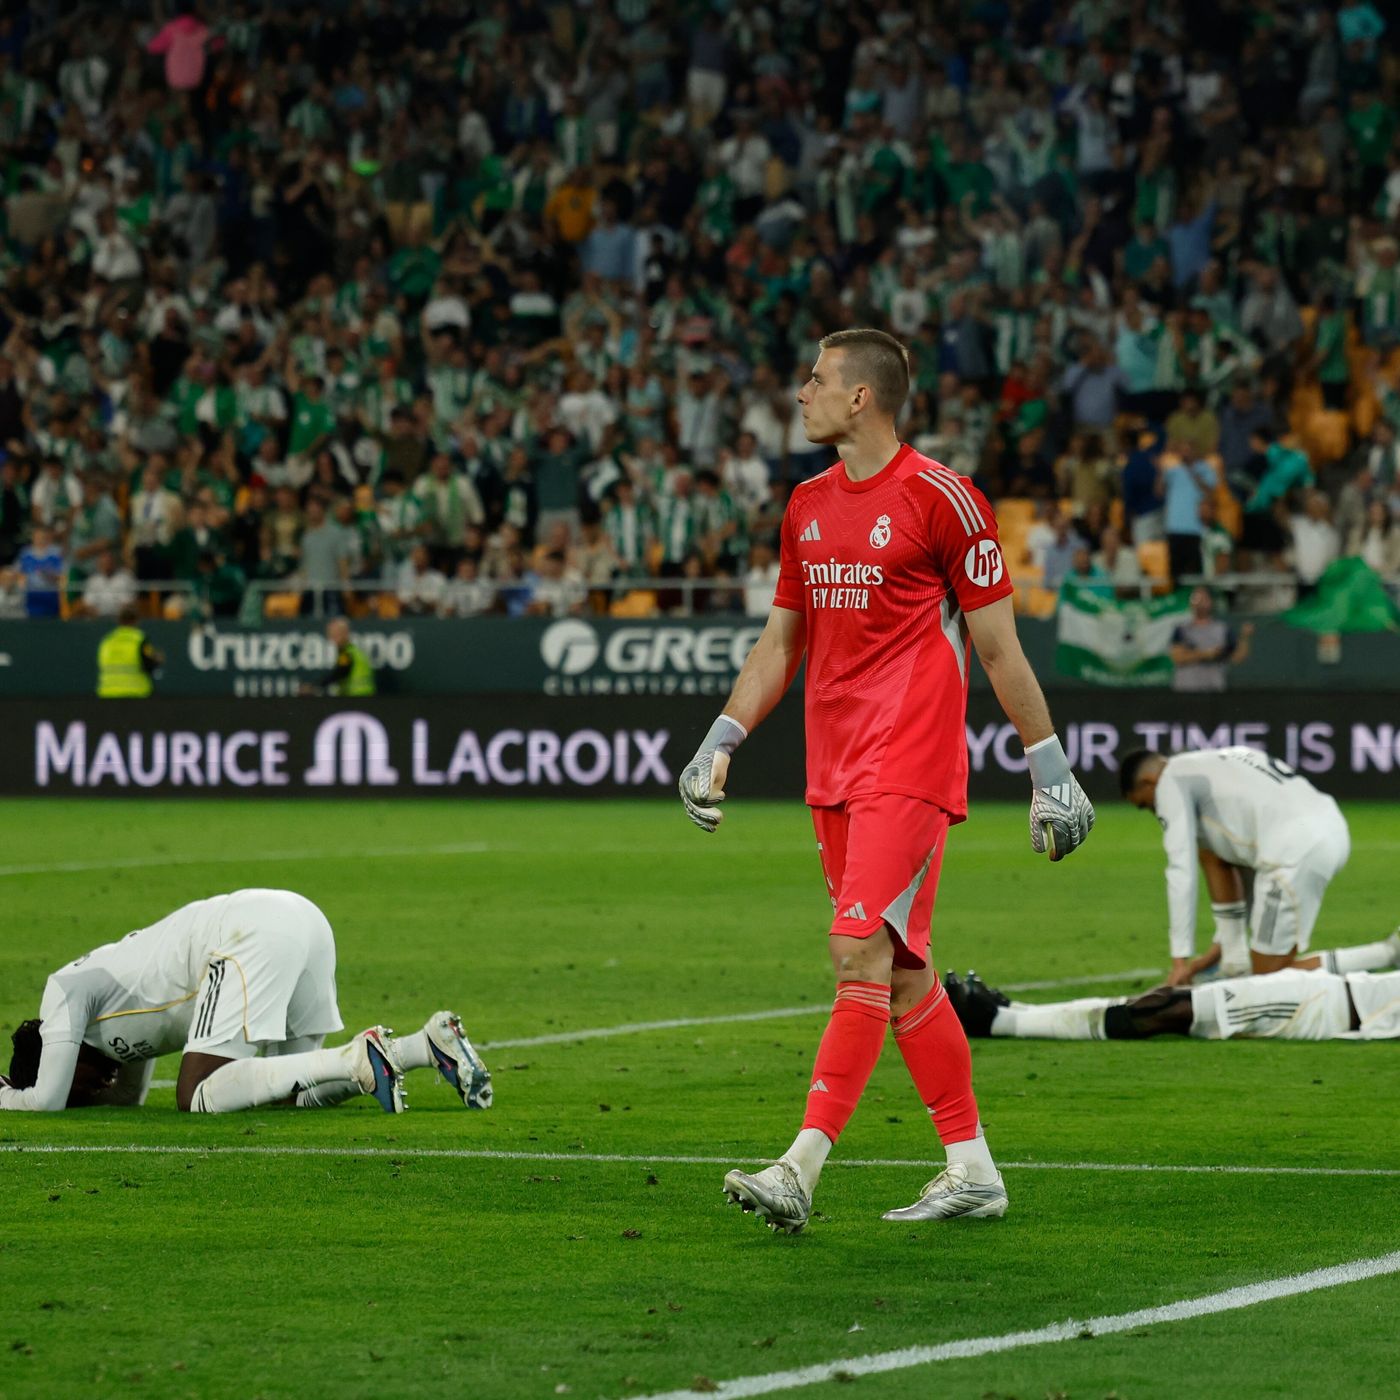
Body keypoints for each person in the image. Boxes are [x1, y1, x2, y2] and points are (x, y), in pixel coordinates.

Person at [677, 328, 1094, 1234]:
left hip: (909, 762)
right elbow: (781, 641)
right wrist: (723, 735)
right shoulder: (806, 504)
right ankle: (973, 1169)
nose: (802, 393)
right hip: (832, 769)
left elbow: (997, 647)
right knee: (903, 976)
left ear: (861, 397)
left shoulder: (944, 498)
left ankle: (800, 1167)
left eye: (816, 378)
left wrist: (1051, 768)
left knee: (856, 951)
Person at [0, 889, 491, 1114]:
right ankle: (421, 1047)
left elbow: (46, 1101)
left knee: (195, 1095)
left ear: (53, 1055)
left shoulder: (62, 994)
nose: (93, 1090)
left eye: (80, 1088)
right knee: (295, 1094)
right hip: (300, 919)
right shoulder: (110, 1044)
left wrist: (7, 1094)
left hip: (244, 933)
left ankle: (357, 1055)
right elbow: (128, 1099)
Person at [1119, 747, 1396, 987]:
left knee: (1267, 982)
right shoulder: (1222, 759)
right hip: (1330, 829)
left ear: (1148, 782)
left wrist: (1179, 961)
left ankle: (1388, 952)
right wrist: (1217, 953)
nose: (1155, 812)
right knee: (1208, 845)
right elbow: (1230, 856)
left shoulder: (1170, 780)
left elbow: (1181, 870)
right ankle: (1234, 961)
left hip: (1293, 852)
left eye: (1146, 805)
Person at [942, 965, 1400, 1043]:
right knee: (1167, 1002)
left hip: (1327, 1009)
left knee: (1164, 1010)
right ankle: (1013, 1012)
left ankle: (999, 1022)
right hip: (1327, 985)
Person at [1169, 587, 1253, 692]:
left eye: (1203, 599)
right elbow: (1177, 657)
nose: (1199, 602)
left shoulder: (1222, 629)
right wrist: (1206, 654)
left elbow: (1237, 657)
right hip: (1187, 688)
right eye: (1196, 599)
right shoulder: (1182, 629)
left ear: (1211, 602)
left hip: (1213, 687)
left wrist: (1245, 637)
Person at [96, 603, 164, 698]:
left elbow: (101, 664)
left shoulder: (107, 640)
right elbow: (149, 664)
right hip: (135, 693)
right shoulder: (140, 639)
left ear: (118, 620)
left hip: (107, 693)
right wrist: (157, 659)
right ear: (136, 620)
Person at [305, 616, 375, 697]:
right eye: (331, 634)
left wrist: (315, 686)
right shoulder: (356, 652)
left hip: (356, 696)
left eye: (335, 633)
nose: (331, 637)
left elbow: (340, 672)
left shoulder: (346, 653)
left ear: (345, 633)